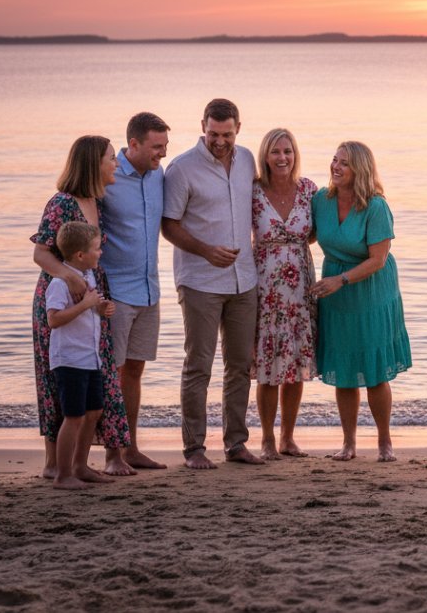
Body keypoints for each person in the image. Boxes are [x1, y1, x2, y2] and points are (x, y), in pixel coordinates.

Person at [162, 98, 261, 469]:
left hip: (244, 280)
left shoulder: (248, 159)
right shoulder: (182, 169)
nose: (220, 141)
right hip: (200, 280)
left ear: (238, 128)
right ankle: (194, 449)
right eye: (214, 133)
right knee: (199, 365)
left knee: (239, 365)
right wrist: (205, 251)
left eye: (227, 134)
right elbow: (168, 224)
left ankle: (236, 444)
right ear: (202, 125)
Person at [30, 135, 130, 478]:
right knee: (59, 380)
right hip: (61, 294)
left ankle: (79, 462)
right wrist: (70, 278)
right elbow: (41, 252)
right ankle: (53, 464)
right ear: (93, 163)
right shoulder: (62, 203)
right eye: (111, 158)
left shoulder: (96, 203)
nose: (116, 164)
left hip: (91, 299)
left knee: (95, 378)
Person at [308, 141, 412, 462]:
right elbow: (305, 235)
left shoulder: (376, 207)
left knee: (374, 370)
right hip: (334, 291)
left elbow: (378, 259)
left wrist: (341, 280)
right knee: (344, 366)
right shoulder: (320, 201)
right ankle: (349, 444)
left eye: (345, 164)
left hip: (370, 290)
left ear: (360, 170)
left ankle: (384, 442)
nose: (336, 167)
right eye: (335, 160)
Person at [99, 111, 170, 473]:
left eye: (165, 147)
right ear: (134, 144)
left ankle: (131, 448)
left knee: (136, 372)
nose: (162, 154)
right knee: (112, 372)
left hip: (149, 289)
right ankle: (111, 456)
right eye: (156, 147)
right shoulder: (108, 177)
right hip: (116, 293)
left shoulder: (159, 176)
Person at [250, 127, 319, 460]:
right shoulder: (253, 191)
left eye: (288, 151)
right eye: (276, 152)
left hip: (301, 288)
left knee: (295, 363)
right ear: (266, 155)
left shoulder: (308, 190)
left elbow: (319, 233)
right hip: (265, 287)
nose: (282, 158)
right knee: (268, 365)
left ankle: (288, 438)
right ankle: (266, 439)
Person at [46, 222, 116, 490]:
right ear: (79, 255)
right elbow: (53, 320)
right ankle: (63, 474)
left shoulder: (90, 277)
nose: (100, 253)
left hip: (90, 357)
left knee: (94, 410)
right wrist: (86, 304)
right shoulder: (60, 283)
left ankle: (80, 466)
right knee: (73, 416)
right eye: (96, 249)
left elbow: (92, 309)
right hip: (69, 359)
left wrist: (101, 308)